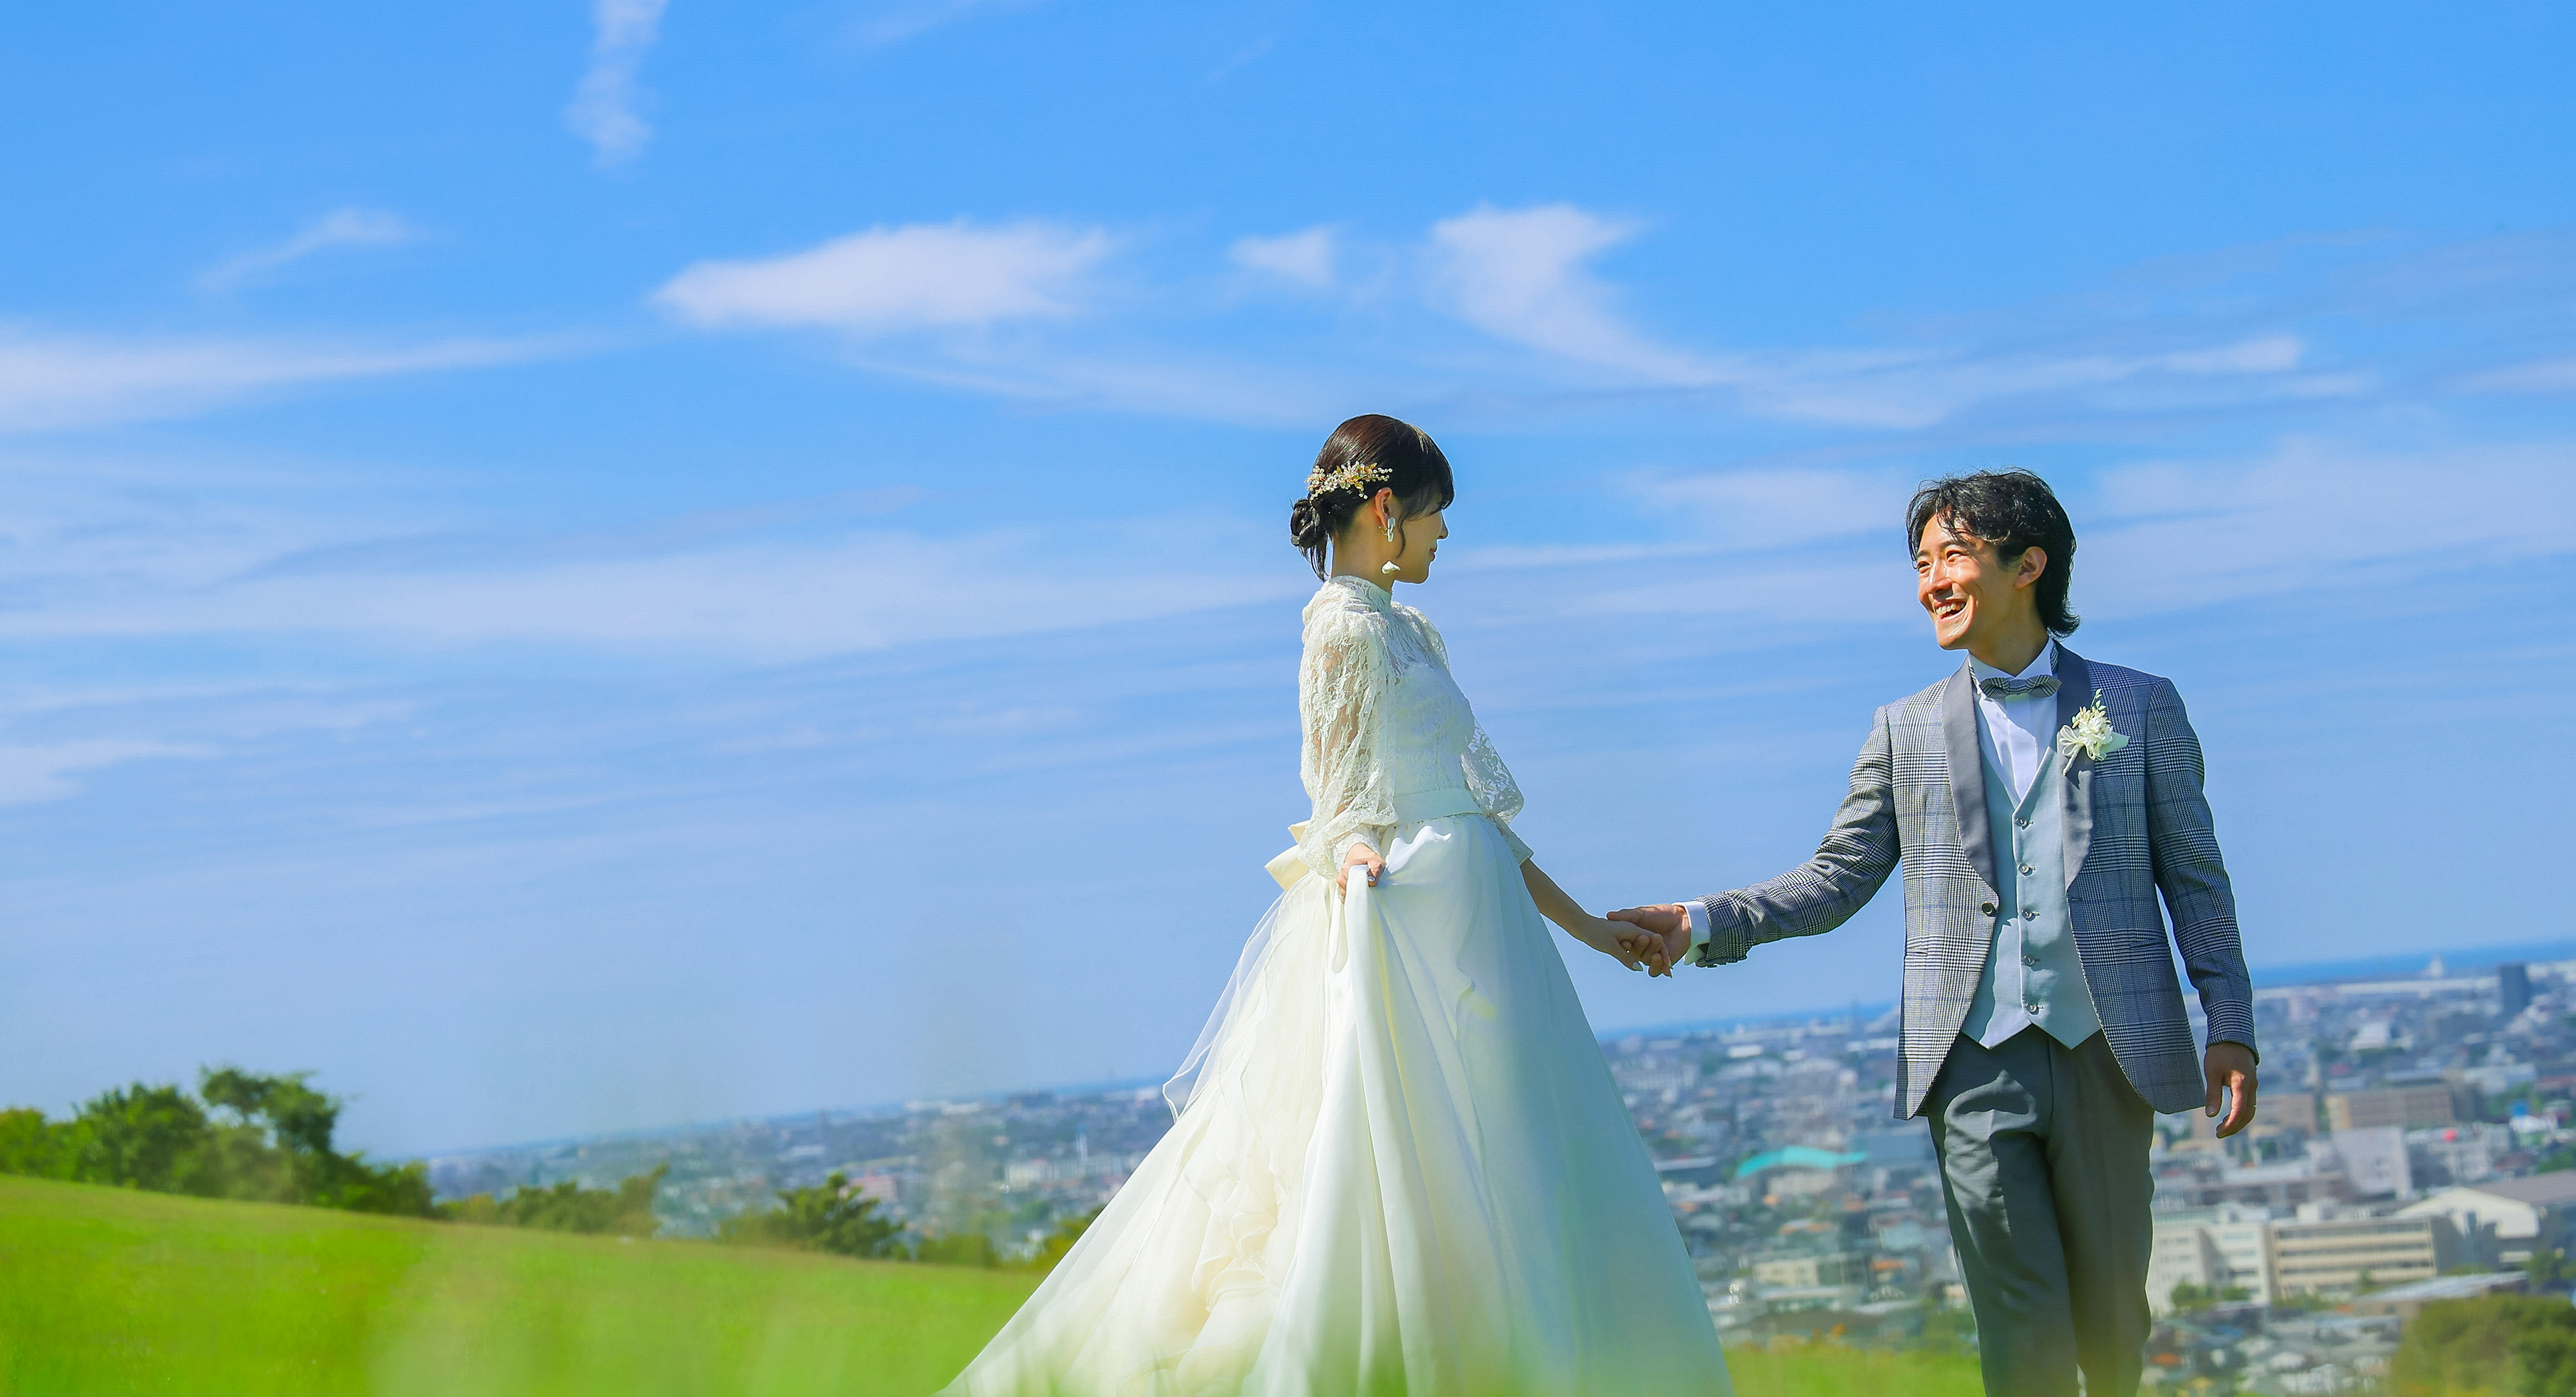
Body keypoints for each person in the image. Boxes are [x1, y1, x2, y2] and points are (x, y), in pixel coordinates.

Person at [941, 415, 1731, 1396]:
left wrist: (1589, 929)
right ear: (1389, 508)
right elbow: (1340, 799)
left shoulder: (1410, 627)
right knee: (1404, 1164)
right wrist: (1353, 850)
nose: (1445, 537)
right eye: (1437, 514)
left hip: (1475, 920)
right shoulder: (1343, 629)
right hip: (1416, 926)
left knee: (1511, 1169)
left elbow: (1474, 815)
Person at [1611, 470, 2257, 1397]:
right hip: (1971, 1064)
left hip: (2106, 1052)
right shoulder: (1901, 728)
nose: (1931, 583)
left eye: (1952, 557)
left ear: (2027, 563)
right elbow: (1834, 879)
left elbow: (2195, 882)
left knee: (2113, 1319)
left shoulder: (2138, 706)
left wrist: (2227, 1024)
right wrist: (1701, 920)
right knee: (2018, 1327)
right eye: (1921, 565)